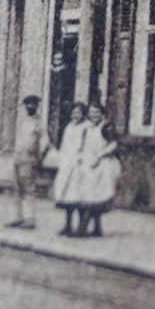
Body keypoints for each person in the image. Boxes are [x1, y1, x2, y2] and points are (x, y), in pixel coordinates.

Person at [71, 105, 119, 238]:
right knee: (87, 196)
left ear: (102, 113)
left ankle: (82, 228)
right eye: (92, 112)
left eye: (97, 112)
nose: (94, 115)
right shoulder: (87, 128)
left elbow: (113, 144)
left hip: (103, 166)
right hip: (88, 165)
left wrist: (100, 155)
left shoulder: (106, 127)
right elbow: (83, 145)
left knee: (96, 197)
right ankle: (97, 228)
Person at [7, 95, 48, 230]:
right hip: (18, 158)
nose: (30, 107)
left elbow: (44, 142)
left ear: (37, 106)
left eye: (33, 104)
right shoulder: (24, 120)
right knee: (17, 189)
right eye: (27, 104)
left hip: (29, 160)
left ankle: (30, 219)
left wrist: (39, 157)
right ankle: (17, 217)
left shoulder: (39, 122)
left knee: (28, 189)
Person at [48, 101, 89, 236]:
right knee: (66, 197)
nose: (76, 115)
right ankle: (68, 225)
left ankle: (81, 227)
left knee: (79, 197)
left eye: (79, 113)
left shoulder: (86, 127)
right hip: (67, 164)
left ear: (84, 114)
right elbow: (65, 145)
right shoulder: (69, 127)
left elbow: (87, 146)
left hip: (79, 165)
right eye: (74, 112)